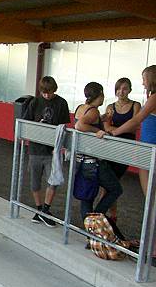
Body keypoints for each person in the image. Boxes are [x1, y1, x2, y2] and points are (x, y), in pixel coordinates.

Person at [22, 76, 71, 228]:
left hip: (52, 150)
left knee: (53, 180)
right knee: (35, 181)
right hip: (36, 149)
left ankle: (45, 209)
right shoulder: (35, 102)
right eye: (44, 93)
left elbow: (63, 126)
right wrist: (38, 125)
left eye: (49, 92)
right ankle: (40, 209)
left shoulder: (61, 103)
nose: (47, 95)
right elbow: (26, 122)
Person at [74, 82, 122, 222]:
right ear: (99, 94)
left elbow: (84, 121)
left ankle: (90, 232)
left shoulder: (81, 108)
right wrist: (98, 131)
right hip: (93, 161)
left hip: (82, 158)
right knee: (115, 189)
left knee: (87, 196)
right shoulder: (93, 110)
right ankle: (95, 218)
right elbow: (80, 125)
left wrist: (101, 120)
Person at [107, 66, 156, 195]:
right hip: (148, 147)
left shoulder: (153, 98)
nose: (143, 83)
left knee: (149, 193)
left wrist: (114, 132)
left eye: (144, 79)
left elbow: (136, 121)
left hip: (150, 148)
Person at [101, 77, 141, 220]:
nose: (121, 91)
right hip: (110, 147)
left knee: (113, 182)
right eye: (119, 88)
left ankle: (108, 214)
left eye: (124, 88)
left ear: (130, 90)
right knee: (106, 183)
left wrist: (115, 130)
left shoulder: (136, 105)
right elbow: (106, 127)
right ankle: (108, 215)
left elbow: (135, 125)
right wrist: (122, 128)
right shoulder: (110, 107)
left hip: (126, 148)